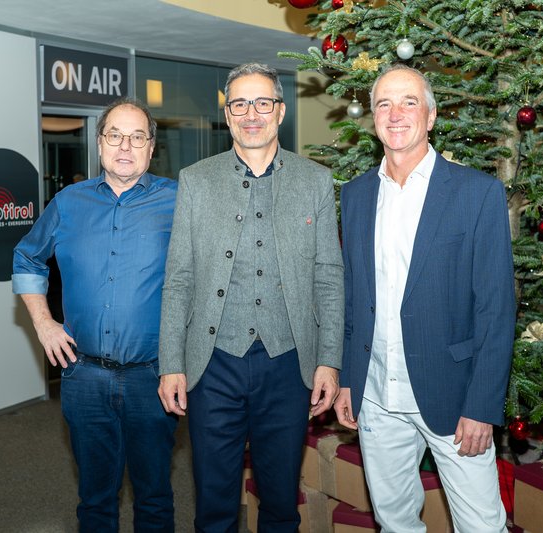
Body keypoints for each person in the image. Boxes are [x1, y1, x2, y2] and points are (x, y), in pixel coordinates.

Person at [157, 62, 344, 532]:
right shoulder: (196, 180)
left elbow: (328, 277)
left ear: (280, 111)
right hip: (213, 363)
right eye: (239, 104)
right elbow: (179, 278)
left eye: (262, 103)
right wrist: (171, 363)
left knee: (280, 503)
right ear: (227, 114)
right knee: (214, 507)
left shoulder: (315, 181)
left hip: (288, 365)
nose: (251, 114)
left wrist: (329, 360)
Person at [335, 64, 515, 532]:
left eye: (409, 102)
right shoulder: (355, 196)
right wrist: (349, 379)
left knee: (482, 525)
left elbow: (496, 310)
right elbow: (354, 298)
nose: (395, 114)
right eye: (384, 104)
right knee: (394, 521)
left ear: (431, 116)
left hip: (453, 397)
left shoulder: (477, 193)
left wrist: (482, 406)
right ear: (373, 117)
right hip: (376, 395)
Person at [12, 97, 178, 532]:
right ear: (99, 143)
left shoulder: (178, 201)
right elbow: (27, 258)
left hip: (153, 377)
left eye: (137, 137)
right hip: (83, 376)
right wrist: (44, 323)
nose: (125, 146)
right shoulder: (68, 202)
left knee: (154, 497)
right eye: (115, 135)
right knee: (95, 499)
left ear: (151, 147)